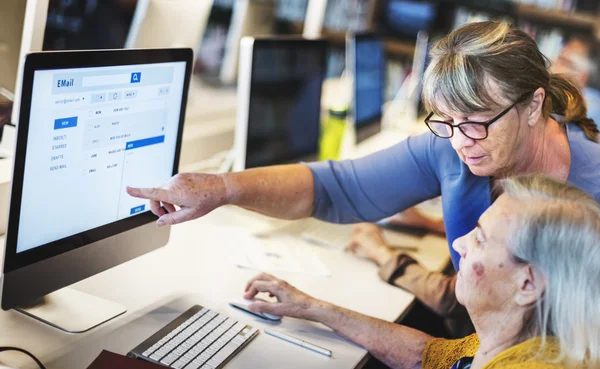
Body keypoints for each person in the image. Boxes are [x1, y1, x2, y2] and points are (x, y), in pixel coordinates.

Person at [126, 21, 600, 305]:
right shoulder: (455, 146)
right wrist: (223, 189)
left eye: (476, 121)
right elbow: (336, 187)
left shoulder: (591, 190)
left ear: (534, 105)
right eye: (446, 120)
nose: (459, 141)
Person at [243, 175, 600, 369]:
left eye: (480, 239)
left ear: (528, 283)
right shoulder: (522, 336)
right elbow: (431, 356)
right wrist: (311, 307)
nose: (459, 244)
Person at [551, 35, 600, 128]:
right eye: (558, 58)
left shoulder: (590, 109)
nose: (554, 65)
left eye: (565, 62)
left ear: (583, 75)